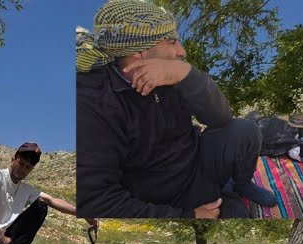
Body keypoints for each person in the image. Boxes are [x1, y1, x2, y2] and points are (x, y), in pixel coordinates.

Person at [75, 0, 277, 219]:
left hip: (196, 162)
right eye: (171, 42)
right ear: (140, 51)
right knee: (237, 214)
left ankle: (241, 184)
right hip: (165, 195)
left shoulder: (170, 73)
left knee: (244, 130)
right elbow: (97, 200)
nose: (182, 51)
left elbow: (221, 118)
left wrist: (186, 74)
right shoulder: (94, 103)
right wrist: (187, 216)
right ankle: (222, 197)